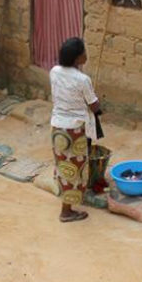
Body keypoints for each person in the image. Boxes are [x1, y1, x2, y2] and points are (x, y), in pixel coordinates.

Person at [49, 37, 101, 223]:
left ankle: (65, 200)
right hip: (74, 130)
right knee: (74, 170)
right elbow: (94, 106)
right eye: (84, 53)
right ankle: (66, 211)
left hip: (57, 128)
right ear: (77, 58)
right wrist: (99, 104)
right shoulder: (83, 79)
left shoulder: (54, 72)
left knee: (62, 166)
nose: (86, 55)